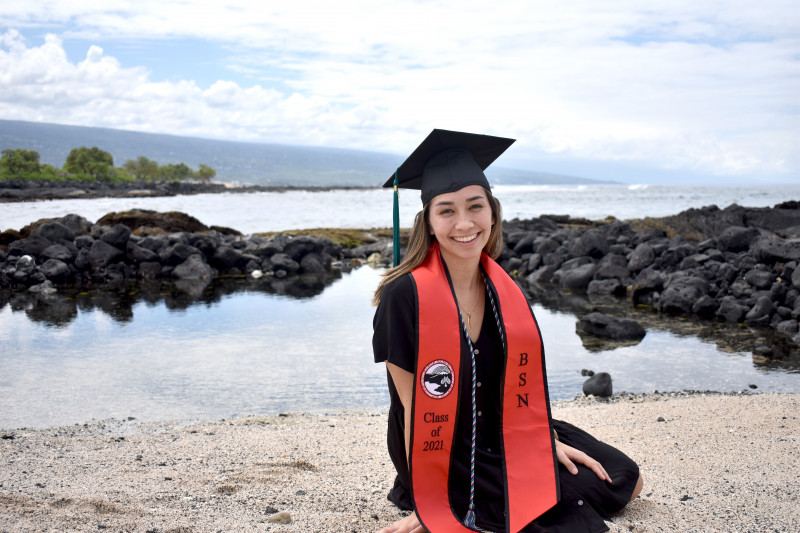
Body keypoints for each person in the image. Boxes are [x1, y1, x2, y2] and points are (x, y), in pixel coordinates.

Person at [372, 129, 643, 533]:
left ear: (493, 213)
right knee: (525, 513)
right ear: (427, 222)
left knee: (625, 477)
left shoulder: (504, 290)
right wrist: (429, 504)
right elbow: (412, 408)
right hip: (444, 443)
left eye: (475, 207)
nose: (464, 223)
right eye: (446, 210)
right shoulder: (404, 297)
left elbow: (517, 387)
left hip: (507, 426)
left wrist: (543, 440)